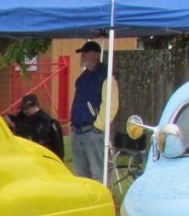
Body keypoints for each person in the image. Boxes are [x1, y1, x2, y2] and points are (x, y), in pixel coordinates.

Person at [68, 40, 116, 181]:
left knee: (98, 172)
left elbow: (111, 105)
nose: (82, 56)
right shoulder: (83, 77)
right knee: (81, 174)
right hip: (78, 130)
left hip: (93, 131)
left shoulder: (106, 76)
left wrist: (98, 127)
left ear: (95, 55)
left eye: (85, 53)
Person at [8, 93, 65, 159]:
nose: (24, 112)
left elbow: (35, 138)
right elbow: (14, 119)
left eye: (26, 109)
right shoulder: (24, 117)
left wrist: (14, 127)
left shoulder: (44, 121)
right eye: (23, 109)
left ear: (34, 106)